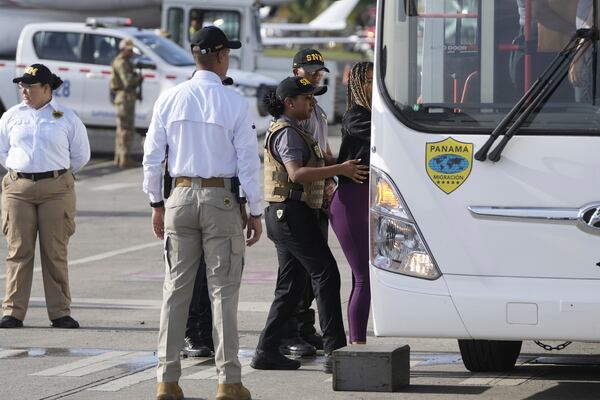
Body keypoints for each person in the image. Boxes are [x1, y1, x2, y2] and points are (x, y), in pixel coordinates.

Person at [143, 26, 262, 400]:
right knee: (223, 292)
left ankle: (167, 380)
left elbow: (152, 157)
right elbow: (247, 162)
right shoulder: (234, 103)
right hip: (219, 199)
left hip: (178, 195)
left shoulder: (170, 98)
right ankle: (228, 381)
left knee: (174, 291)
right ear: (223, 57)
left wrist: (156, 203)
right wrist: (255, 210)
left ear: (196, 57)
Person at [250, 76, 369, 373]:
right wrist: (340, 169)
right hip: (289, 213)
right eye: (307, 98)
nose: (313, 103)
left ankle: (266, 351)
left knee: (291, 287)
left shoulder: (298, 131)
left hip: (291, 214)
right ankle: (335, 351)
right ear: (290, 103)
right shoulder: (287, 132)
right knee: (326, 273)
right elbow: (296, 174)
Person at [0, 64, 90, 329]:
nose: (24, 91)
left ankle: (60, 311)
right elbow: (3, 151)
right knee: (18, 251)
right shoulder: (11, 116)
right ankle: (13, 312)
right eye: (22, 86)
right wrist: (22, 172)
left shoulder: (67, 117)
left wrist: (56, 175)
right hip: (19, 190)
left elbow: (81, 156)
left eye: (30, 86)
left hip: (56, 190)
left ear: (47, 89)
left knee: (55, 251)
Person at [278, 48, 336, 357]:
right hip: (295, 200)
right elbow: (299, 163)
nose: (315, 75)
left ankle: (303, 327)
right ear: (295, 71)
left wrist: (330, 181)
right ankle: (288, 332)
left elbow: (323, 150)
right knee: (296, 271)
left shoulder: (316, 109)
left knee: (311, 270)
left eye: (319, 71)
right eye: (309, 70)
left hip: (316, 198)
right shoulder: (293, 111)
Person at [329, 61, 373, 345]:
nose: (373, 85)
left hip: (368, 199)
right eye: (368, 80)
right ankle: (356, 343)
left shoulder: (374, 114)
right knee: (362, 277)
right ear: (357, 85)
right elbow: (387, 132)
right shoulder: (356, 117)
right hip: (350, 201)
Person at [110, 37, 143, 169]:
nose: (131, 53)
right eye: (129, 50)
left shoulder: (124, 62)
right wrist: (138, 78)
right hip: (125, 98)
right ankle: (124, 158)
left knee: (122, 129)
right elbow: (128, 82)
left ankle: (120, 157)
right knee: (126, 129)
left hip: (125, 97)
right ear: (124, 50)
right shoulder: (122, 63)